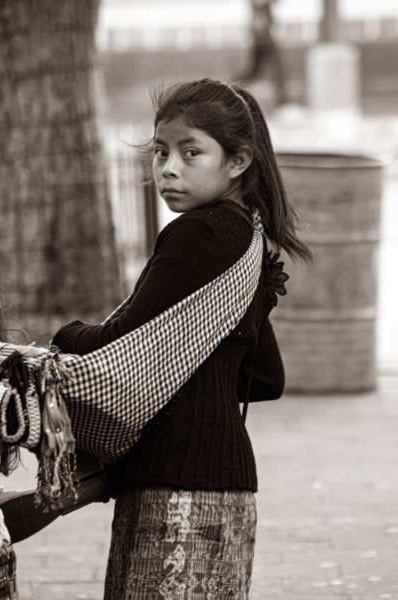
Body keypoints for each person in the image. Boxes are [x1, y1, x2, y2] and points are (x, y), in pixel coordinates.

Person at [52, 79, 310, 598]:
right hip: (229, 493)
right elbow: (265, 378)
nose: (168, 168)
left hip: (174, 493)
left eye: (191, 153)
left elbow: (120, 343)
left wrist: (63, 336)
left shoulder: (200, 233)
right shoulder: (248, 239)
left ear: (238, 161)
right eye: (161, 152)